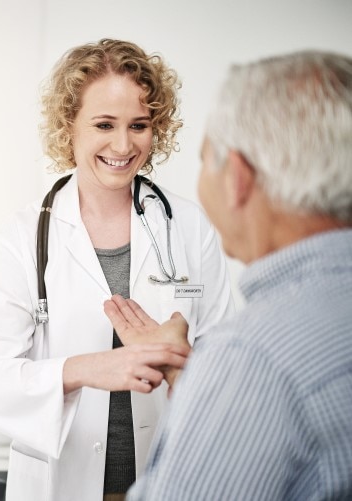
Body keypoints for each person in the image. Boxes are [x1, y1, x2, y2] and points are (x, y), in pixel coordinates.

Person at [0, 39, 234, 501]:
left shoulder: (187, 227)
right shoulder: (22, 239)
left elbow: (229, 368)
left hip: (172, 480)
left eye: (139, 125)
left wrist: (181, 360)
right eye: (104, 124)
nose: (123, 145)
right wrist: (86, 369)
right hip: (62, 484)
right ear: (69, 126)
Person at [104, 49, 352, 500]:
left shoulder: (251, 355)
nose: (123, 144)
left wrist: (217, 375)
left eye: (206, 159)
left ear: (236, 177)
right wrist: (186, 373)